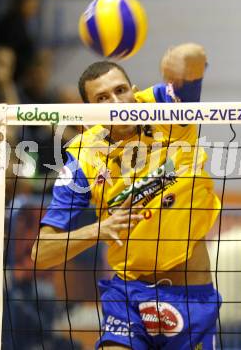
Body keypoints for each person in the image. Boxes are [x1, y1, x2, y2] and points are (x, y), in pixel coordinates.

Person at [31, 43, 222, 349]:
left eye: (120, 90)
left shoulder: (163, 107)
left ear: (133, 90)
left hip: (191, 297)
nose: (116, 102)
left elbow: (196, 63)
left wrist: (184, 56)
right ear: (90, 113)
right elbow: (41, 253)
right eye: (102, 98)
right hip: (129, 296)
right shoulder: (82, 159)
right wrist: (99, 230)